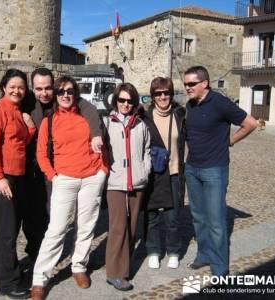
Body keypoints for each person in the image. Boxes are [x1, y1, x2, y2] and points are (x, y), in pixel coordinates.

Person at [0, 67, 103, 264]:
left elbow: (87, 107)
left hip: (55, 167)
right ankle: (35, 252)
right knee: (30, 213)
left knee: (50, 211)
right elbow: (6, 101)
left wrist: (96, 133)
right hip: (28, 167)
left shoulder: (61, 96)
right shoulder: (27, 99)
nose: (44, 93)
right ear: (32, 88)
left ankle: (50, 250)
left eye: (48, 88)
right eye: (38, 89)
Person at [31, 76, 107, 300]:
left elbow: (104, 144)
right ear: (55, 95)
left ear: (76, 94)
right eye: (61, 92)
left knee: (86, 226)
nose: (66, 95)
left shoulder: (88, 114)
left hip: (92, 178)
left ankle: (79, 266)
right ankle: (39, 278)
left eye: (70, 91)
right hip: (64, 179)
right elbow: (41, 154)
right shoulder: (50, 120)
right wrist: (54, 176)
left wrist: (103, 170)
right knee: (56, 230)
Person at [183, 66, 257, 276]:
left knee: (216, 221)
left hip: (214, 169)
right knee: (198, 216)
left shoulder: (220, 102)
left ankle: (219, 267)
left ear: (204, 83)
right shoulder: (191, 105)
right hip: (192, 168)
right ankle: (204, 254)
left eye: (191, 84)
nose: (187, 87)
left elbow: (250, 124)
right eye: (186, 84)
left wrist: (230, 141)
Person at [0, 69, 36, 299]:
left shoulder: (18, 111)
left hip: (16, 175)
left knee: (7, 226)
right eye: (12, 86)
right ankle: (8, 282)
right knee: (8, 230)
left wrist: (30, 126)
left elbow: (21, 142)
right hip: (1, 175)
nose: (17, 90)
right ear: (4, 87)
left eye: (21, 87)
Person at [103, 83, 151, 291]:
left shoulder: (140, 124)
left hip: (137, 182)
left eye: (129, 101)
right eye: (121, 100)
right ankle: (115, 273)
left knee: (132, 228)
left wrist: (144, 170)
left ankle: (124, 266)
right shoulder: (107, 123)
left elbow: (146, 150)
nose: (125, 104)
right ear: (115, 101)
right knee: (118, 227)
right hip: (115, 183)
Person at [142, 77, 186, 269]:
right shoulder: (145, 116)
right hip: (153, 174)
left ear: (171, 94)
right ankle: (153, 250)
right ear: (152, 96)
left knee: (173, 217)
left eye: (166, 93)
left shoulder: (180, 114)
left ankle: (173, 251)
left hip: (174, 172)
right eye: (158, 93)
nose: (162, 97)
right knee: (152, 216)